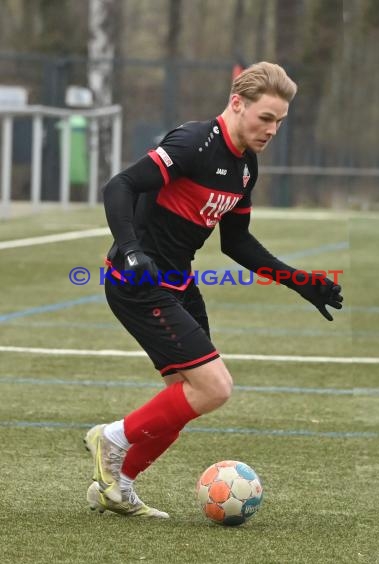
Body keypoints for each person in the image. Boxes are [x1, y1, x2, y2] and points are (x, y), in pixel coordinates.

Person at [84, 61, 343, 518]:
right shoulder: (193, 143)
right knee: (214, 387)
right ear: (237, 103)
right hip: (138, 280)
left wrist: (300, 282)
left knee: (183, 398)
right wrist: (129, 250)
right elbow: (119, 186)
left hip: (178, 282)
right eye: (266, 117)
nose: (272, 129)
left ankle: (117, 487)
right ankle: (112, 438)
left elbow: (236, 242)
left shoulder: (245, 167)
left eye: (280, 122)